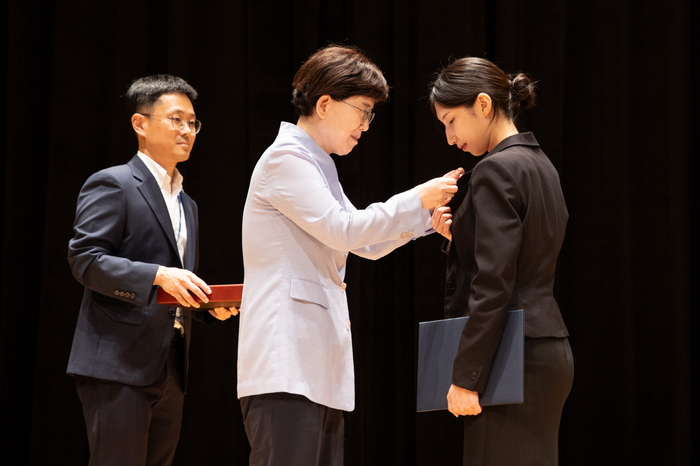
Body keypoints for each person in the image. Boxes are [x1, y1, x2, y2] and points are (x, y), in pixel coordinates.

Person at [237, 44, 461, 466]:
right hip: (285, 365)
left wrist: (428, 217)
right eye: (362, 110)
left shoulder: (317, 162)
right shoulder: (286, 158)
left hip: (313, 366)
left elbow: (364, 243)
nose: (367, 124)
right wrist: (418, 196)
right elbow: (345, 230)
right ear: (324, 104)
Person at [66, 74, 237, 466]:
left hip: (170, 365)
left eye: (192, 122)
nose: (187, 130)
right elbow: (86, 259)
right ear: (140, 124)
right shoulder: (114, 183)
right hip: (117, 361)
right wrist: (158, 275)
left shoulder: (188, 203)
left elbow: (175, 280)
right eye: (176, 119)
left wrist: (207, 306)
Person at [429, 57, 574, 466]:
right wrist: (459, 238)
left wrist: (466, 375)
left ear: (483, 105)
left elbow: (494, 283)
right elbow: (523, 254)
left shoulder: (495, 170)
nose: (449, 137)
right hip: (547, 349)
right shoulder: (540, 164)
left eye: (451, 121)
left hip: (513, 354)